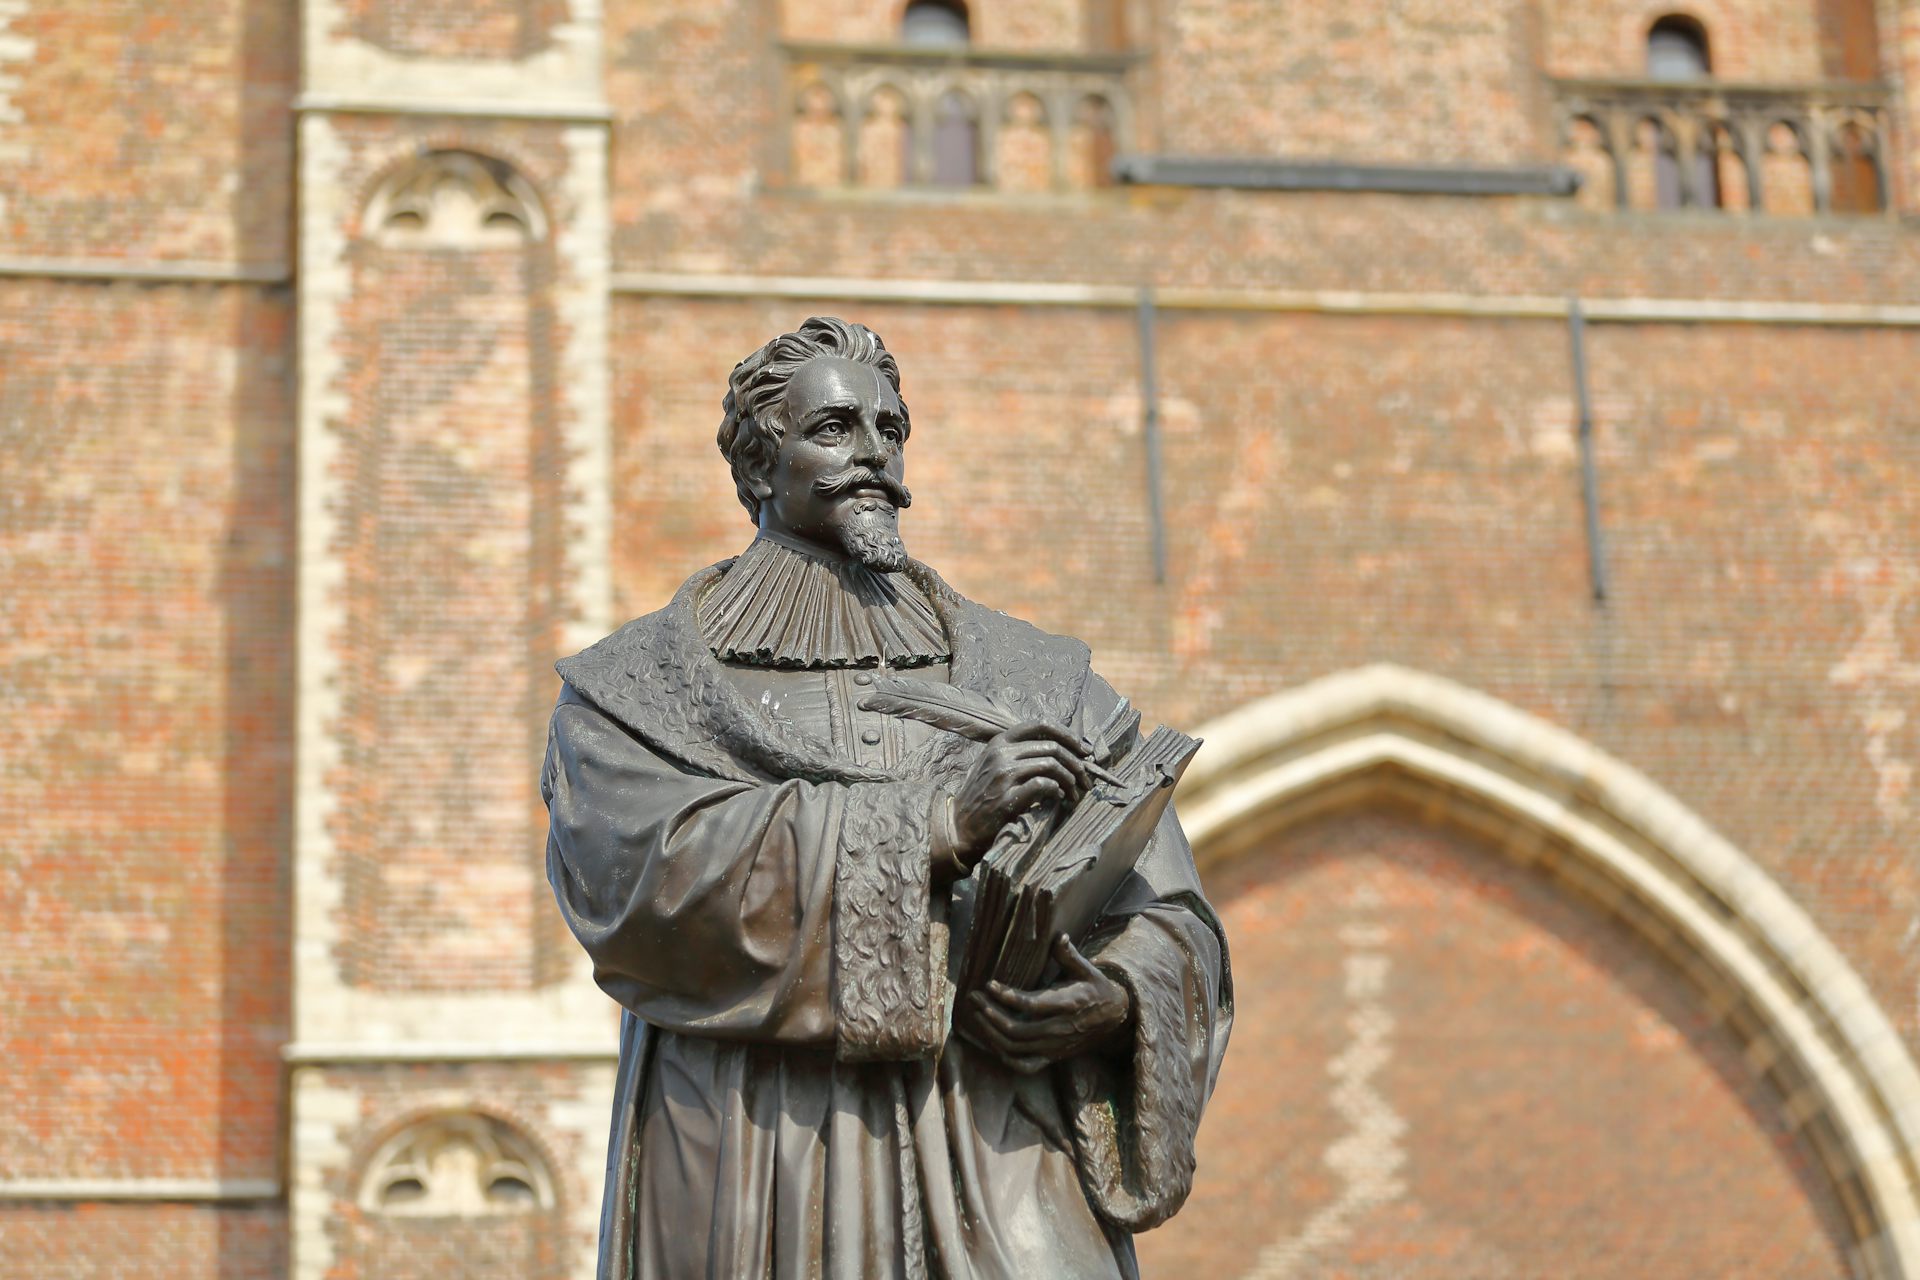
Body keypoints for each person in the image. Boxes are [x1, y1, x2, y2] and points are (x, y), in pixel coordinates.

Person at [543, 316, 1232, 1279]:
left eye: (889, 428)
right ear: (755, 465)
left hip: (994, 1133)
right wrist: (933, 825)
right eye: (833, 428)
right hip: (760, 1139)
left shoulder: (1037, 675)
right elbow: (636, 882)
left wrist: (1114, 1000)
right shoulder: (641, 689)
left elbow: (1171, 908)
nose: (871, 452)